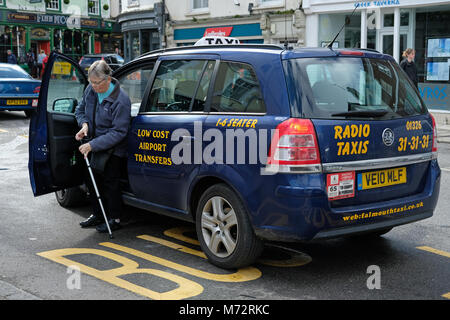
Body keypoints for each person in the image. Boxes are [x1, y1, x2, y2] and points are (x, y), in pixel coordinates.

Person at [75, 60, 131, 233]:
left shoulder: (121, 100)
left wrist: (92, 145)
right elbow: (80, 110)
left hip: (113, 148)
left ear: (108, 79)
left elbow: (119, 132)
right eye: (91, 82)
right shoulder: (90, 90)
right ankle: (98, 214)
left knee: (110, 183)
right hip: (92, 142)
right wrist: (84, 125)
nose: (94, 86)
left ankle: (115, 218)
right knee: (92, 181)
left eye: (97, 83)